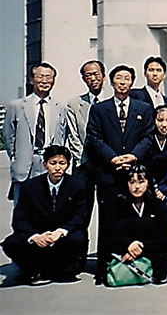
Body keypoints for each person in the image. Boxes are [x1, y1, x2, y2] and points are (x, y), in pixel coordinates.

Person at [86, 64, 154, 284]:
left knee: (134, 219)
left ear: (132, 82)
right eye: (118, 78)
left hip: (135, 174)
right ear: (111, 81)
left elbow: (148, 136)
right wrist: (113, 158)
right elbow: (94, 138)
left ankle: (138, 264)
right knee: (107, 221)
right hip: (109, 173)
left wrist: (133, 156)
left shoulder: (143, 108)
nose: (123, 82)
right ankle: (105, 267)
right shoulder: (99, 109)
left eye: (127, 78)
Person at [1, 145, 88, 285]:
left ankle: (59, 269)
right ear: (45, 164)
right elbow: (19, 220)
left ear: (68, 165)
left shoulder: (77, 185)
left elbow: (80, 216)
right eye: (53, 163)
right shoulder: (29, 187)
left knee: (78, 238)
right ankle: (31, 269)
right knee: (11, 243)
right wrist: (35, 236)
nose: (58, 168)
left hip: (62, 237)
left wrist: (60, 232)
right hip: (39, 236)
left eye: (62, 163)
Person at [5, 62, 67, 204]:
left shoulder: (60, 108)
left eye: (48, 77)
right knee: (23, 209)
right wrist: (16, 158)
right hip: (26, 164)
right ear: (31, 79)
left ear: (53, 81)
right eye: (40, 77)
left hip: (50, 164)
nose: (44, 81)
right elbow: (9, 137)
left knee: (49, 207)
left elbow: (62, 136)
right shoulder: (17, 106)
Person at [105, 165, 167, 284]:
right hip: (125, 251)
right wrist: (129, 245)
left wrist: (141, 247)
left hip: (152, 251)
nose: (136, 187)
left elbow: (164, 233)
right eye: (132, 182)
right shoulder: (118, 205)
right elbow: (112, 232)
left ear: (148, 183)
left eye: (141, 182)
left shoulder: (157, 204)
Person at [66, 59, 106, 224]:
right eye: (88, 75)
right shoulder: (74, 105)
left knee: (108, 211)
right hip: (83, 166)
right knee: (81, 212)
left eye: (96, 74)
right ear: (83, 79)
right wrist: (85, 160)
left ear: (103, 76)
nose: (93, 78)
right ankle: (79, 248)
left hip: (106, 166)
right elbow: (73, 136)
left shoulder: (112, 101)